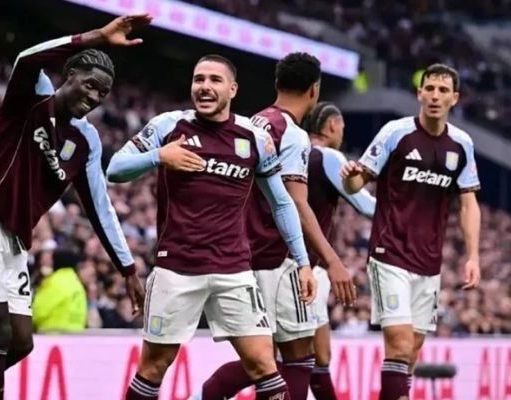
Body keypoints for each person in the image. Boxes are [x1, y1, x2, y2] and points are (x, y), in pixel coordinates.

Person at [0, 14, 152, 400]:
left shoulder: (87, 142)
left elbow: (101, 208)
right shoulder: (31, 97)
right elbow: (27, 58)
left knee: (20, 342)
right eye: (90, 84)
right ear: (70, 74)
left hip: (14, 239)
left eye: (103, 93)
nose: (95, 96)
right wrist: (96, 36)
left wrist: (128, 269)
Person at [106, 54, 314, 400]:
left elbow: (281, 202)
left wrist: (302, 261)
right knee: (153, 367)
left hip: (234, 270)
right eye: (198, 79)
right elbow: (115, 168)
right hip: (177, 268)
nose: (204, 86)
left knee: (265, 367)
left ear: (233, 89)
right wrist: (159, 156)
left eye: (215, 80)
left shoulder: (255, 137)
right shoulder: (168, 126)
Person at [195, 53, 355, 400]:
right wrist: (331, 260)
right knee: (297, 356)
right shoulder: (292, 135)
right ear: (314, 90)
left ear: (277, 83)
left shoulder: (253, 122)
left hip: (242, 254)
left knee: (263, 360)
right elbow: (297, 203)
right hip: (277, 257)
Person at [340, 63, 482, 400]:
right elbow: (359, 181)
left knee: (412, 350)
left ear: (454, 98)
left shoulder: (462, 144)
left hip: (429, 261)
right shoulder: (396, 132)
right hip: (389, 252)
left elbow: (469, 204)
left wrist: (473, 256)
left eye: (442, 90)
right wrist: (350, 177)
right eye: (429, 88)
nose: (434, 96)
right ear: (419, 93)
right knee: (400, 343)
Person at [303, 102, 376, 399]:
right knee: (293, 357)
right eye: (342, 126)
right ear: (333, 125)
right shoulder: (328, 157)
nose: (342, 132)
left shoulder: (292, 152)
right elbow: (367, 206)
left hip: (290, 261)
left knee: (319, 356)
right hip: (307, 265)